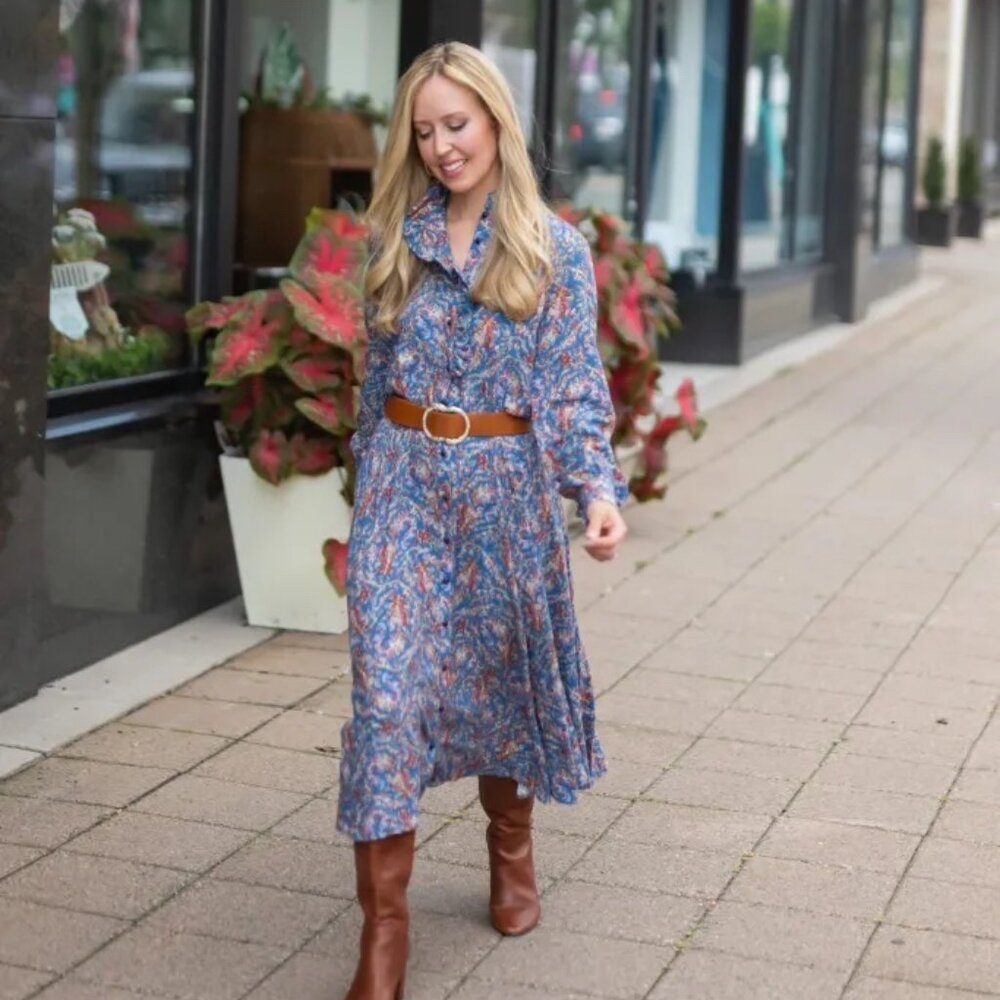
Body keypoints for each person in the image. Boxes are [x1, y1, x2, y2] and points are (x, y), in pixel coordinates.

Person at [338, 40, 629, 1000]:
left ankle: (512, 848)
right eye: (423, 133)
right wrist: (363, 493)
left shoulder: (555, 249)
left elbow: (575, 389)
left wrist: (595, 494)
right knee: (388, 698)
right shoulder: (398, 239)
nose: (440, 147)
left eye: (455, 125)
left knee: (496, 688)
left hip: (504, 494)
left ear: (497, 121)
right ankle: (384, 936)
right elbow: (372, 380)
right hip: (403, 489)